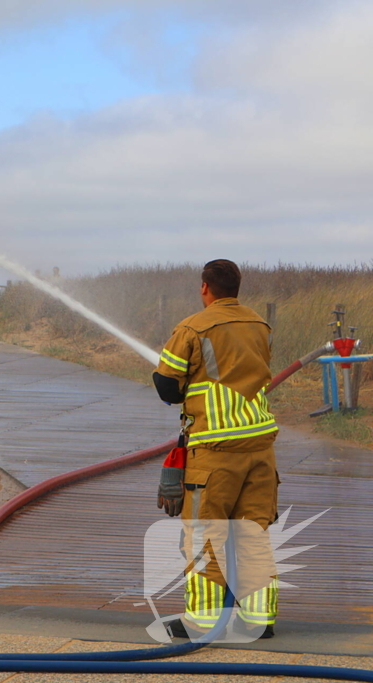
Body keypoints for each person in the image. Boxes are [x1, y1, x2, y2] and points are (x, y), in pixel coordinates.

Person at [153, 259, 279, 639]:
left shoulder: (193, 326)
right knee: (253, 533)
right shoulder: (259, 324)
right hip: (260, 446)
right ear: (236, 288)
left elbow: (167, 387)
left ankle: (204, 621)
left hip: (215, 449)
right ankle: (259, 620)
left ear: (205, 288)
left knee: (206, 535)